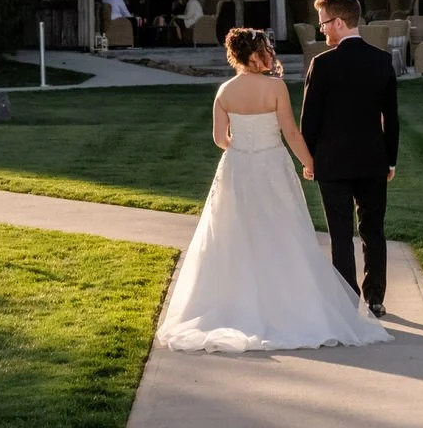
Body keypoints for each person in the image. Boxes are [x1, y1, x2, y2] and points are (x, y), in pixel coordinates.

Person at [155, 29, 392, 353]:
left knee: (236, 233)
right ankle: (288, 304)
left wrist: (240, 147)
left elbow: (220, 139)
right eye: (266, 49)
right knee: (282, 231)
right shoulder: (275, 87)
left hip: (237, 168)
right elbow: (291, 132)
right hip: (271, 166)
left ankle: (239, 305)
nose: (271, 54)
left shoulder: (225, 91)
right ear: (254, 55)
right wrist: (310, 163)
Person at [301, 0, 398, 319]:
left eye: (323, 23)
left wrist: (309, 160)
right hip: (373, 160)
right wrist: (390, 159)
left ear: (339, 22)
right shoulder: (381, 60)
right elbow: (391, 118)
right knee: (374, 230)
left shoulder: (322, 64)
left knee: (340, 234)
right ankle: (375, 298)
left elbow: (310, 119)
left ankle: (346, 300)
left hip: (332, 163)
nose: (322, 30)